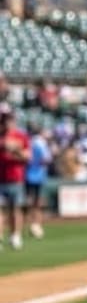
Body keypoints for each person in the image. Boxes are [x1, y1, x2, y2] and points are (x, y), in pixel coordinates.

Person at [0, 103, 28, 250]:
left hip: (16, 178)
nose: (7, 124)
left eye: (9, 121)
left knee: (15, 209)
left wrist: (15, 149)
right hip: (1, 177)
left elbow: (27, 157)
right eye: (4, 121)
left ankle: (15, 235)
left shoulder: (20, 137)